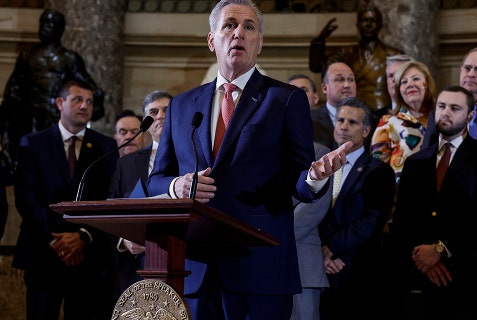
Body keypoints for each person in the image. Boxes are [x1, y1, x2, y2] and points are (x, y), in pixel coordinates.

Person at [146, 1, 351, 319]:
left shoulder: (285, 99)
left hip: (260, 267)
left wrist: (315, 177)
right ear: (212, 40)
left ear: (259, 42)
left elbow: (298, 182)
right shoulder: (182, 105)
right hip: (195, 270)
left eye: (249, 27)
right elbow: (156, 179)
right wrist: (177, 186)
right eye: (229, 25)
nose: (239, 32)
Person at [392, 85, 477, 319]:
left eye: (455, 108)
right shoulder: (416, 162)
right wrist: (423, 259)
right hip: (420, 276)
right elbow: (403, 220)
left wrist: (440, 249)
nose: (446, 112)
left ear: (470, 116)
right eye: (441, 106)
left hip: (464, 274)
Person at [12, 79, 117, 320]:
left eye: (89, 102)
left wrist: (81, 237)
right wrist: (60, 241)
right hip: (42, 253)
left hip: (87, 257)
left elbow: (109, 199)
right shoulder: (33, 143)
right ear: (60, 103)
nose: (84, 106)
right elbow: (26, 197)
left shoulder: (105, 146)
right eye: (77, 100)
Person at [318, 97, 396, 320]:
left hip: (355, 270)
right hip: (317, 267)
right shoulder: (318, 165)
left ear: (366, 130)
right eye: (340, 120)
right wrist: (319, 252)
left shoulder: (379, 172)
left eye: (352, 122)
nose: (343, 126)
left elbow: (371, 222)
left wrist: (331, 249)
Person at [0, 9, 105, 167]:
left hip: (56, 117)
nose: (44, 27)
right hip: (29, 118)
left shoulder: (69, 59)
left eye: (49, 23)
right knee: (29, 161)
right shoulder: (27, 56)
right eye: (42, 23)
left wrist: (88, 106)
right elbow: (13, 91)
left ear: (59, 28)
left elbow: (91, 88)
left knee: (53, 162)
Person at [108, 90, 172, 299]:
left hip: (182, 261)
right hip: (135, 267)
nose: (160, 115)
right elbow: (111, 210)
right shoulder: (126, 163)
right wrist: (123, 240)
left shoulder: (194, 155)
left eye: (166, 110)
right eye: (153, 112)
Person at [286, 75, 331, 320]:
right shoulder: (266, 151)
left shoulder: (321, 153)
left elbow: (313, 210)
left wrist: (269, 234)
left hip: (303, 262)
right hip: (264, 265)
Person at [309, 3, 403, 113]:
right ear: (358, 25)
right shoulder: (347, 53)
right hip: (353, 112)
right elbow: (317, 66)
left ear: (380, 25)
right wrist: (319, 41)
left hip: (382, 112)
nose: (368, 24)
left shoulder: (393, 55)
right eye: (365, 20)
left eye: (372, 21)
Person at [370, 60, 436, 183]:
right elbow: (376, 171)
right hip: (402, 198)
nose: (409, 84)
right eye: (403, 82)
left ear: (428, 84)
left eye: (415, 79)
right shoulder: (388, 123)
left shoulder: (441, 120)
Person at [311, 61, 357, 150]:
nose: (347, 85)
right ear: (324, 88)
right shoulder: (309, 119)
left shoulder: (371, 119)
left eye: (351, 79)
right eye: (340, 79)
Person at [374, 54, 415, 119]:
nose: (394, 79)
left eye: (398, 74)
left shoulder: (427, 113)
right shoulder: (376, 117)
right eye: (390, 76)